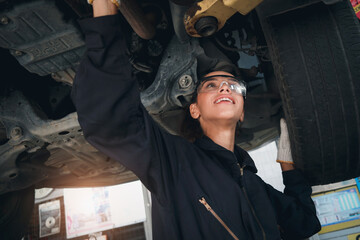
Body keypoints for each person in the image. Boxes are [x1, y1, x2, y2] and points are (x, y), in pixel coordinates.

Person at [72, 0, 321, 239]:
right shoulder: (175, 163)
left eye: (233, 86)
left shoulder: (253, 183)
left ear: (242, 111)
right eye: (212, 85)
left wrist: (287, 165)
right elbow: (113, 122)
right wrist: (104, 12)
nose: (225, 88)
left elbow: (303, 223)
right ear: (194, 110)